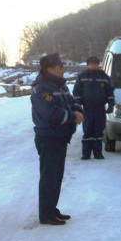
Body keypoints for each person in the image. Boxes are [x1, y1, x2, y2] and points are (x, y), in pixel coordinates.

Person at [31, 53, 83, 226]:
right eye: (60, 66)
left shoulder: (59, 85)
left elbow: (71, 101)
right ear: (50, 69)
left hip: (59, 136)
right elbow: (50, 112)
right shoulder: (42, 88)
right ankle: (46, 214)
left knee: (56, 176)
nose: (63, 69)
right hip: (49, 137)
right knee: (49, 176)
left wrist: (77, 110)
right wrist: (72, 116)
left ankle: (51, 209)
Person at [73, 56, 115, 160]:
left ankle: (98, 154)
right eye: (91, 63)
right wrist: (77, 106)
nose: (93, 65)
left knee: (99, 131)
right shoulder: (82, 76)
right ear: (88, 65)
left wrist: (111, 104)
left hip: (100, 108)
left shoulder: (104, 76)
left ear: (98, 64)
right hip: (87, 108)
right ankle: (86, 154)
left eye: (95, 63)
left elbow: (110, 91)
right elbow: (77, 92)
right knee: (87, 130)